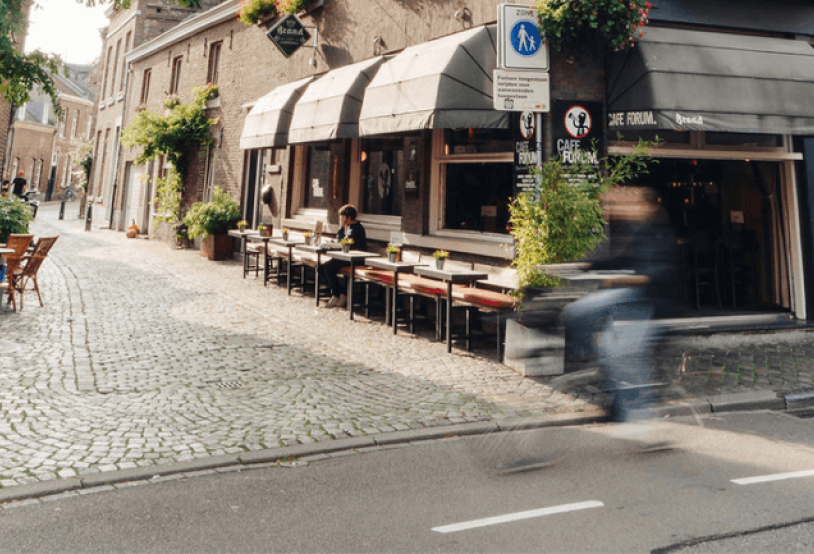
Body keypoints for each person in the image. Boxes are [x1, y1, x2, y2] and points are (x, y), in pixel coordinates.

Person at [561, 184, 681, 448]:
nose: (616, 210)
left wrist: (621, 279)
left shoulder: (658, 233)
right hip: (632, 302)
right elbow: (626, 260)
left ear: (646, 206)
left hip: (651, 305)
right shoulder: (638, 231)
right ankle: (618, 409)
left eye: (626, 205)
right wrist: (590, 265)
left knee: (621, 354)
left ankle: (639, 417)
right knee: (607, 350)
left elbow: (658, 273)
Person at [321, 204, 367, 308]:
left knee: (328, 269)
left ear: (348, 217)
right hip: (346, 257)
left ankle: (336, 295)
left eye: (342, 217)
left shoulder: (357, 229)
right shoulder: (351, 227)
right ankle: (341, 293)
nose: (341, 220)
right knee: (321, 268)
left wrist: (341, 227)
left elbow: (342, 242)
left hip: (355, 260)